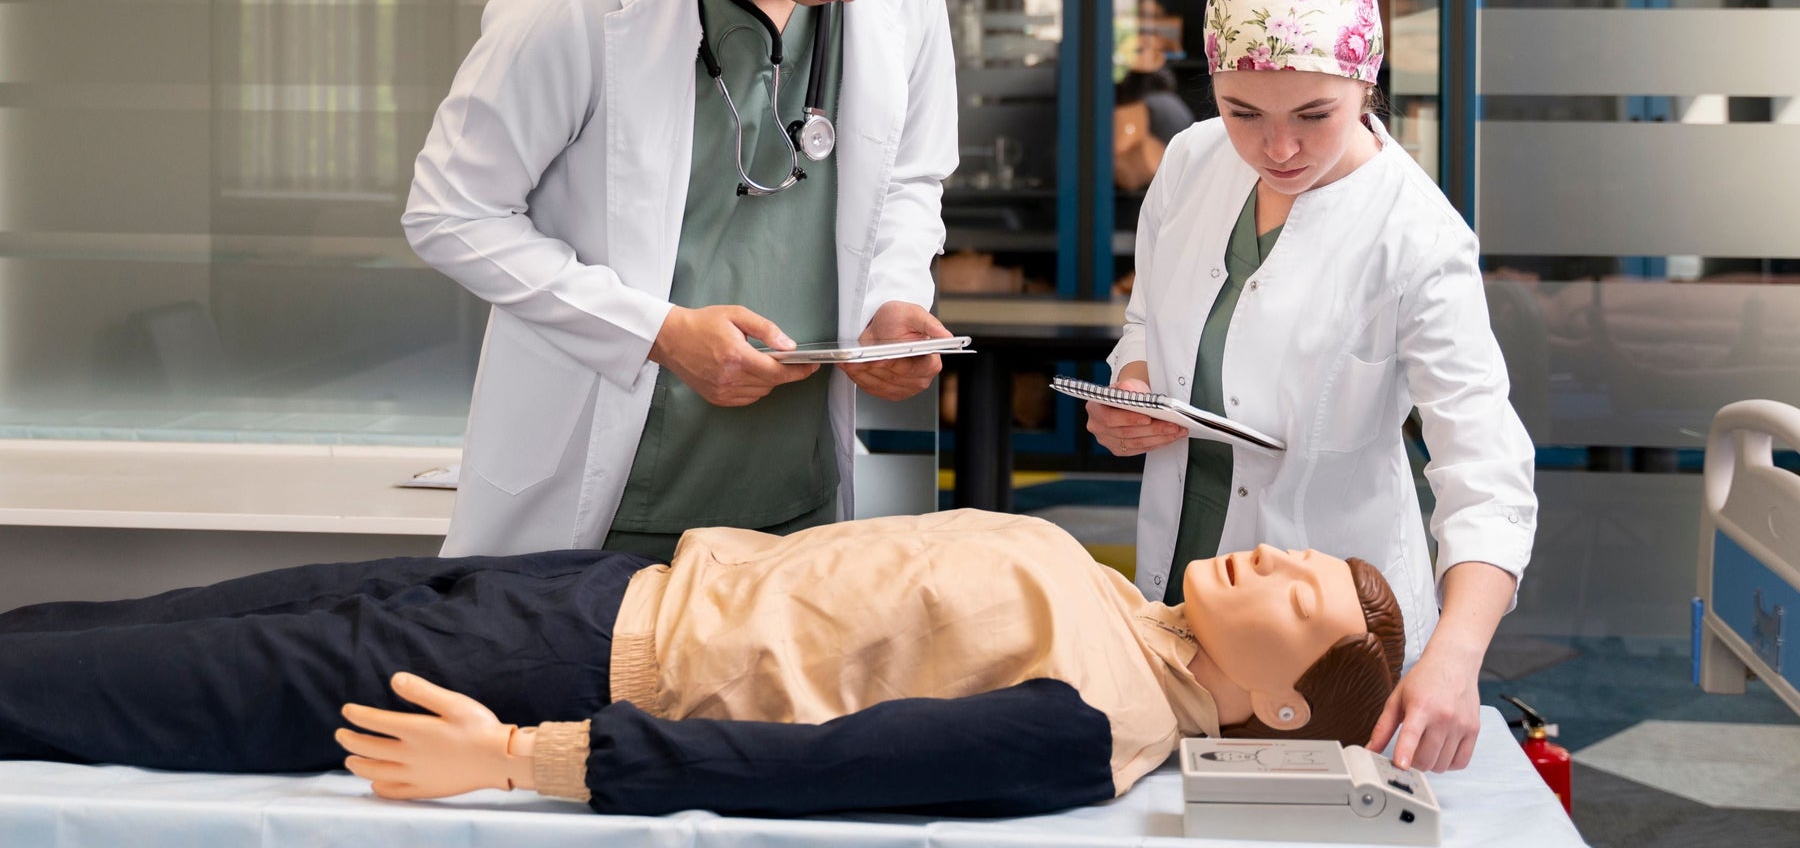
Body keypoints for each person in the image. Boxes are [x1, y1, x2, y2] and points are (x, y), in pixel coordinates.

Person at [403, 0, 959, 559]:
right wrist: (656, 332)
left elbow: (910, 171)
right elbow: (451, 212)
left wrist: (891, 300)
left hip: (797, 492)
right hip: (612, 496)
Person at [0, 510, 1403, 820]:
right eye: (1299, 551)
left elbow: (816, 771)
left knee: (112, 687)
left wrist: (517, 756)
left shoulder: (1094, 727)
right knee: (156, 621)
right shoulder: (1113, 595)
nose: (1276, 559)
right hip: (585, 584)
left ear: (1281, 704)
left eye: (1303, 595)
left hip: (548, 669)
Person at [1086, 0, 1537, 776]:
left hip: (1326, 649)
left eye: (1314, 115)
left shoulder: (1418, 239)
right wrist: (1133, 383)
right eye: (1243, 111)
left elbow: (1487, 468)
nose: (1278, 148)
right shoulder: (1191, 162)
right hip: (1180, 599)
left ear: (1366, 84)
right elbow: (1148, 316)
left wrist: (1457, 652)